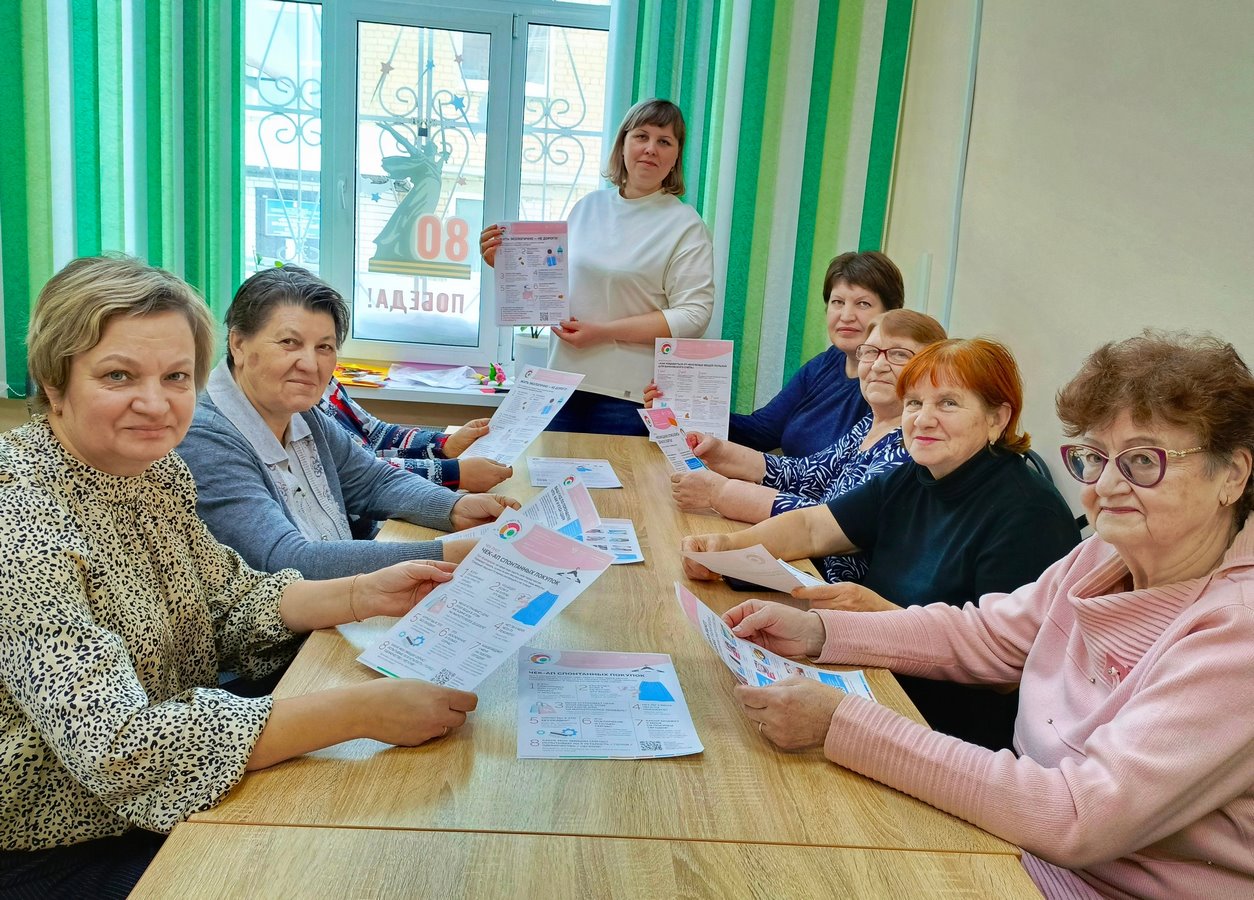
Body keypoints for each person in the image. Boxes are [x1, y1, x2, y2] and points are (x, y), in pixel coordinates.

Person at [0, 257, 478, 896]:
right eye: (118, 375)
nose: (155, 403)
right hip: (62, 844)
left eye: (176, 377)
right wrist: (361, 711)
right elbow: (119, 747)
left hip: (179, 791)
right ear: (54, 382)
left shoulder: (154, 473)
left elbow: (228, 599)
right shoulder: (19, 514)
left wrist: (362, 593)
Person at [720, 333, 1254, 899]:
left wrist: (840, 723)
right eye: (1095, 458)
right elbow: (987, 634)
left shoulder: (1236, 634)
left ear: (1233, 475)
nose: (1105, 486)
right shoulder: (1103, 554)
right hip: (1015, 841)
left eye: (1143, 460)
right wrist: (820, 631)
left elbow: (1077, 815)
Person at [682, 338, 1080, 750]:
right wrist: (726, 547)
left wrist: (882, 615)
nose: (923, 419)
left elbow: (1004, 671)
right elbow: (813, 527)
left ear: (998, 418)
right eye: (914, 403)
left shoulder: (1029, 514)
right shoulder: (917, 475)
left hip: (938, 728)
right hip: (871, 666)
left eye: (948, 403)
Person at [178, 266, 516, 580]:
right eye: (289, 343)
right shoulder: (206, 439)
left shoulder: (301, 412)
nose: (310, 364)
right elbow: (287, 562)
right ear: (238, 344)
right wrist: (445, 554)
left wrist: (454, 507)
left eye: (324, 347)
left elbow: (372, 481)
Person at [480, 98, 715, 436]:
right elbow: (554, 294)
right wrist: (507, 267)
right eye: (641, 136)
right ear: (623, 144)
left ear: (676, 156)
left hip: (628, 400)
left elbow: (694, 316)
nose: (651, 149)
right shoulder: (587, 207)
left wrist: (603, 332)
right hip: (560, 389)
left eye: (664, 141)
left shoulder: (685, 225)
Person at [672, 310, 946, 584]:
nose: (877, 365)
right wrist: (723, 453)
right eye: (871, 352)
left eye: (898, 355)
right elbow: (805, 473)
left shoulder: (909, 447)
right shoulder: (871, 424)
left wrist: (721, 493)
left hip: (831, 591)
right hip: (801, 569)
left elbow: (830, 522)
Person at [647, 251, 905, 456]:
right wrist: (679, 409)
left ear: (891, 314)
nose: (846, 316)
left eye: (863, 304)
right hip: (786, 494)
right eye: (837, 302)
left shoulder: (890, 383)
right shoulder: (823, 365)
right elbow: (761, 431)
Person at [318, 376, 511, 493]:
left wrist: (444, 445)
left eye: (324, 346)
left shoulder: (326, 383)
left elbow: (377, 434)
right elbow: (362, 472)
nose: (311, 362)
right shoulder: (303, 412)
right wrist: (455, 473)